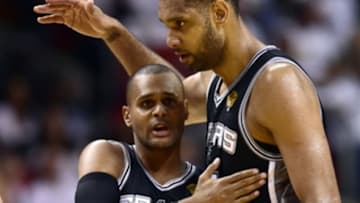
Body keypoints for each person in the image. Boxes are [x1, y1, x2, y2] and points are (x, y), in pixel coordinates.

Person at [34, 0, 341, 202]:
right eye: (166, 25)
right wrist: (113, 33)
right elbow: (164, 93)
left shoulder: (277, 84)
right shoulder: (216, 81)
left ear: (219, 13)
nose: (169, 40)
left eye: (180, 24)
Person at [74, 64, 266, 203]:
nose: (160, 111)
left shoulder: (207, 187)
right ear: (128, 115)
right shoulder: (108, 155)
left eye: (169, 102)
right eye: (147, 104)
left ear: (185, 111)